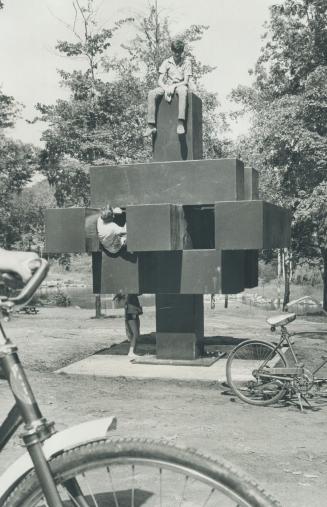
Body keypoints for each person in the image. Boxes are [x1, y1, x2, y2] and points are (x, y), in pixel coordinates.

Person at [144, 38, 192, 136]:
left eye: (179, 52)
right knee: (151, 93)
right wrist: (166, 88)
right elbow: (159, 81)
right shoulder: (166, 62)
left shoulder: (187, 62)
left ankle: (180, 123)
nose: (176, 54)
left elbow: (186, 81)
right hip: (167, 86)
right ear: (172, 50)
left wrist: (174, 86)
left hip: (179, 85)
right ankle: (151, 126)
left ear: (182, 52)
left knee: (183, 91)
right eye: (174, 51)